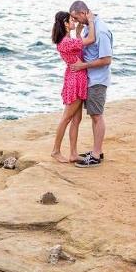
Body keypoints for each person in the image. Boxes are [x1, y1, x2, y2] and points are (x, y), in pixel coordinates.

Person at [68, 0, 113, 168]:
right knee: (94, 115)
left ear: (82, 13)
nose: (76, 21)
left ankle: (96, 154)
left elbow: (107, 59)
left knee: (96, 115)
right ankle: (96, 150)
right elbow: (86, 48)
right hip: (91, 79)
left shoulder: (100, 30)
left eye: (76, 18)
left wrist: (83, 66)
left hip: (97, 80)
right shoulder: (89, 26)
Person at [50, 11, 95, 163]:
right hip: (75, 80)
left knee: (76, 119)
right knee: (66, 118)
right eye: (71, 20)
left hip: (76, 77)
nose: (75, 21)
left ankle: (73, 154)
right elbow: (91, 39)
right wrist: (91, 21)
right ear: (65, 23)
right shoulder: (66, 42)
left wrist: (77, 32)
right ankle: (56, 151)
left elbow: (78, 51)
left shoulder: (67, 39)